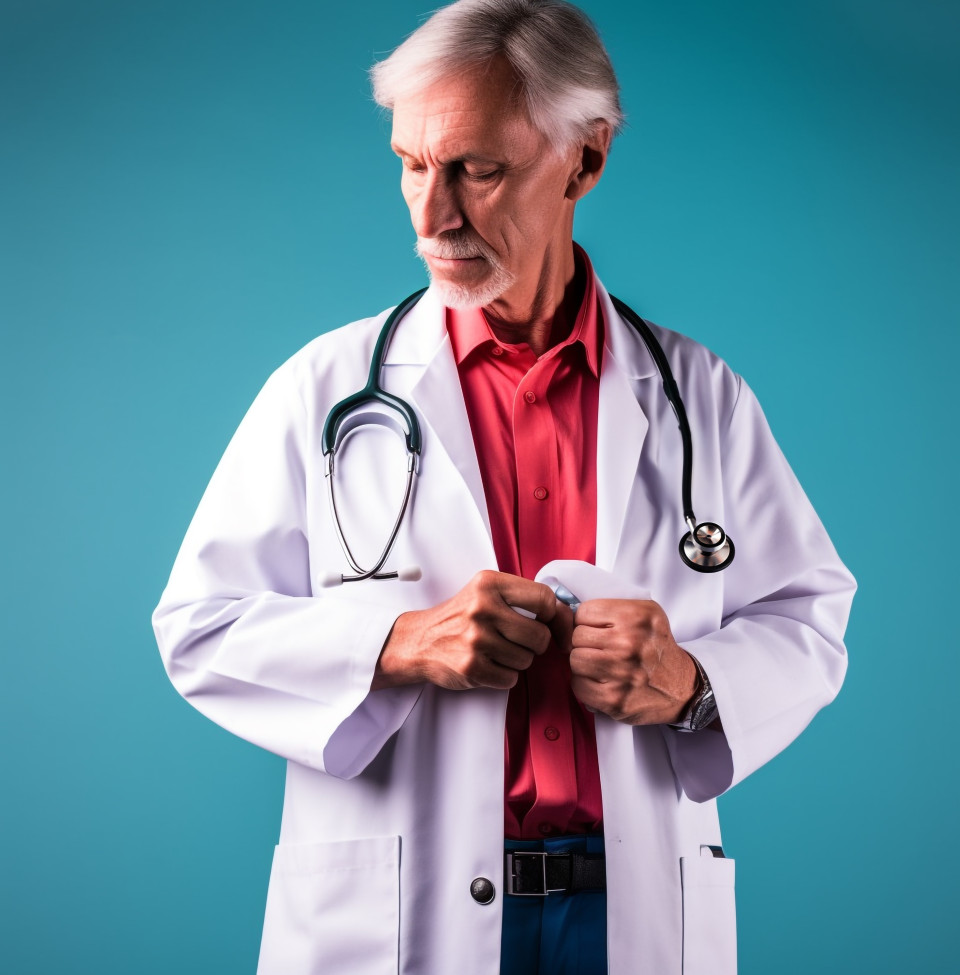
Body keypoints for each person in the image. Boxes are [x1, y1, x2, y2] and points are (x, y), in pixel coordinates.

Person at [153, 1, 856, 972]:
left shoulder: (701, 396)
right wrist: (398, 643)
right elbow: (200, 627)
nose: (433, 216)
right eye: (411, 165)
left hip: (629, 912)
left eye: (478, 170)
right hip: (406, 919)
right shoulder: (323, 390)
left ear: (585, 158)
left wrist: (695, 684)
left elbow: (807, 619)